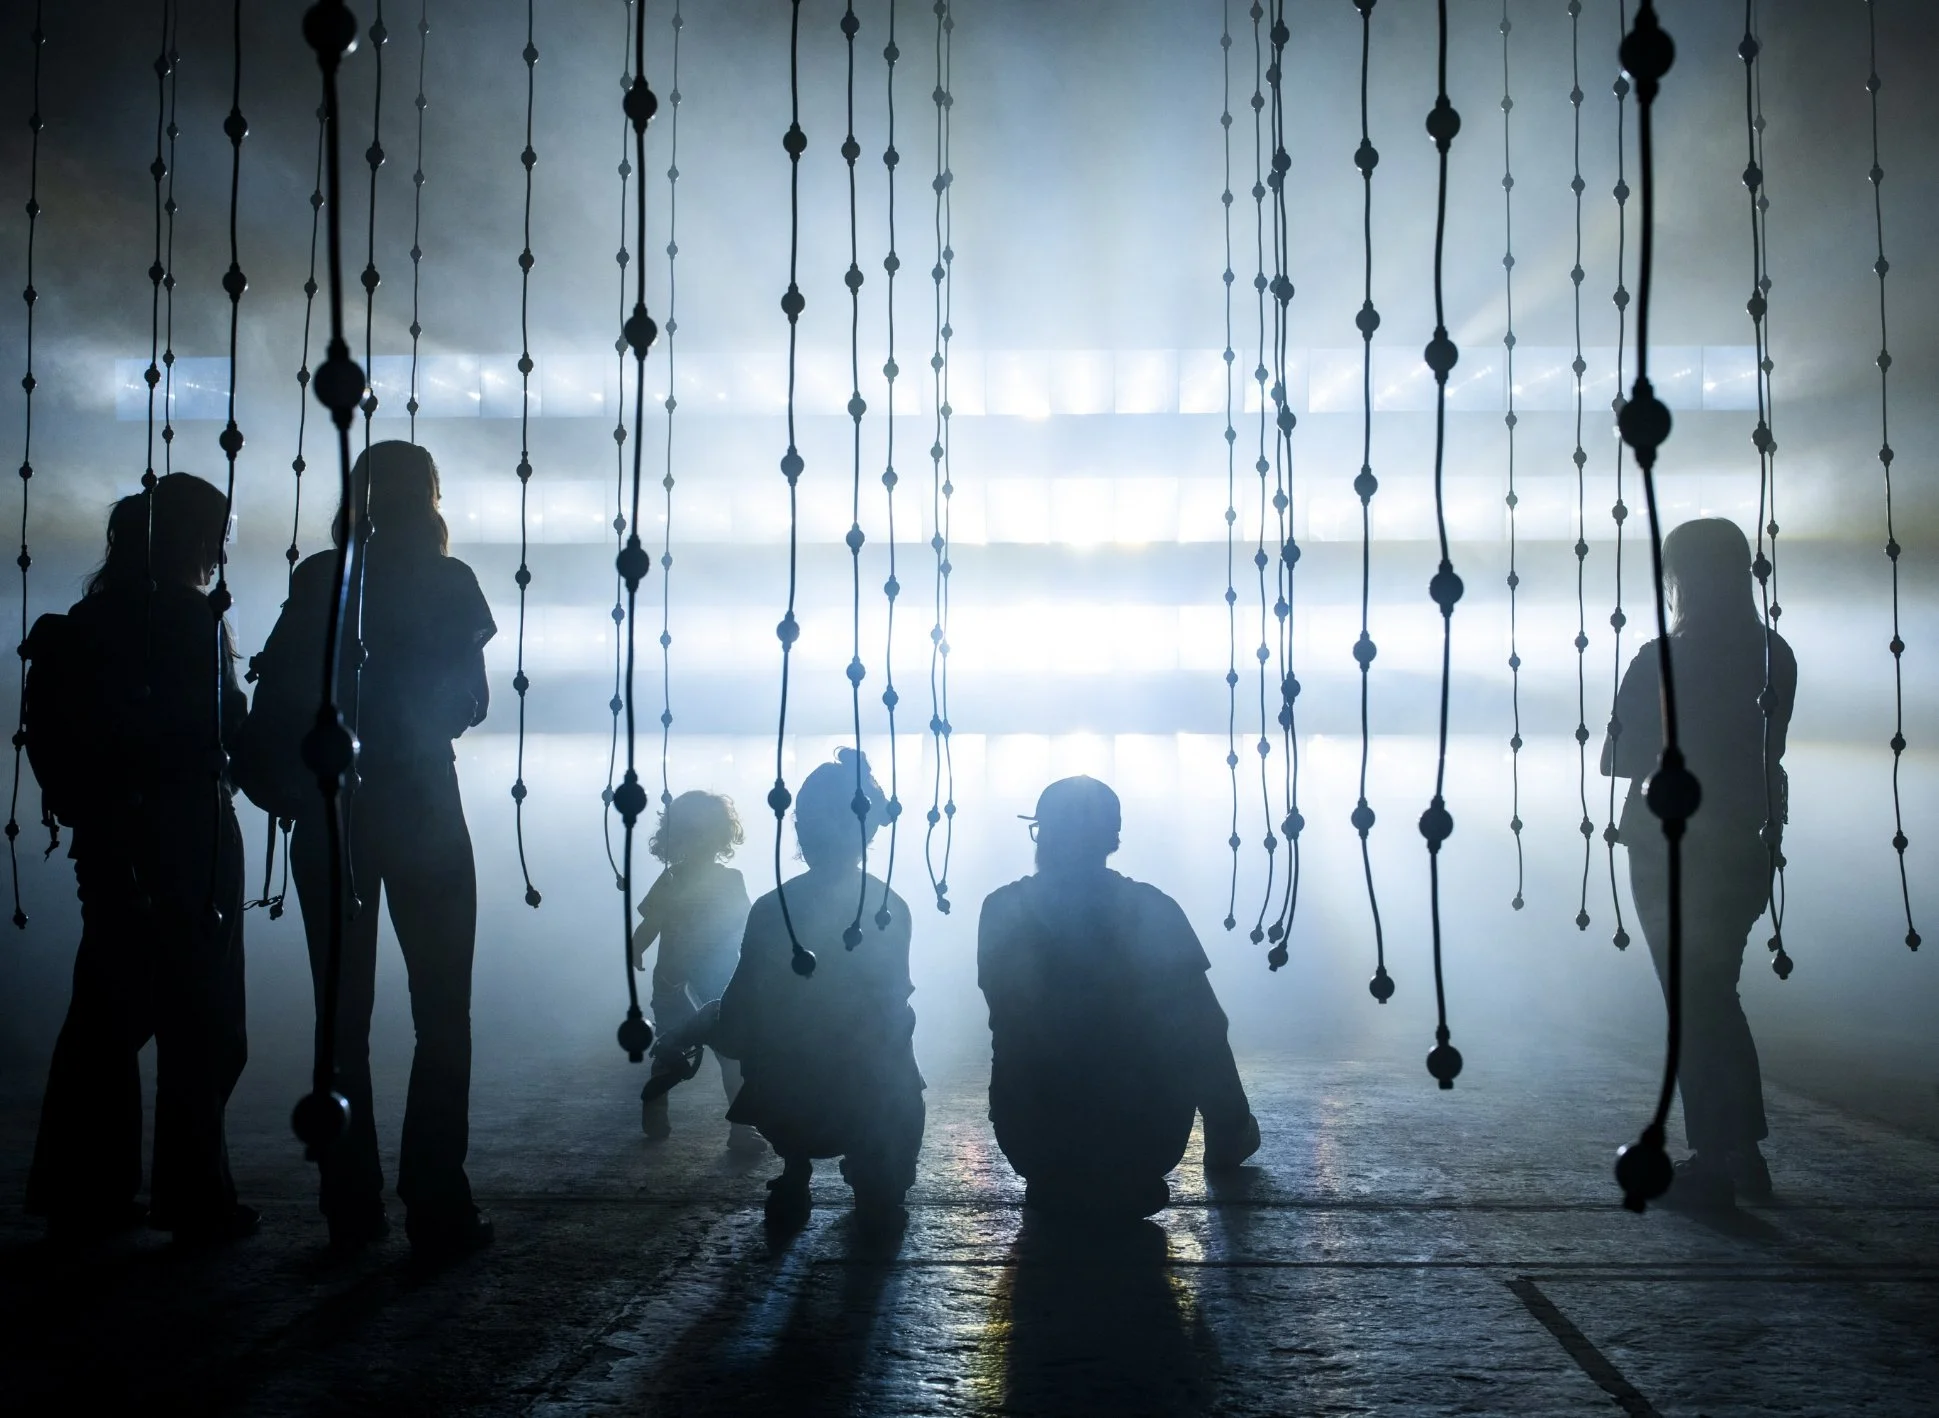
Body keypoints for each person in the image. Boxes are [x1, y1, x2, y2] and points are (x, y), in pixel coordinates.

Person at [237, 440, 495, 1257]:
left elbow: (277, 690)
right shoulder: (452, 584)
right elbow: (470, 701)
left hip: (334, 813)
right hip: (422, 803)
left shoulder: (321, 578)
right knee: (442, 1016)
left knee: (341, 1021)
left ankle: (350, 1206)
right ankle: (435, 1200)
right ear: (429, 495)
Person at [24, 473, 254, 1242]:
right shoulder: (191, 620)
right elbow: (230, 732)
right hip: (192, 832)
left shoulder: (87, 622)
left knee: (108, 1008)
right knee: (204, 1020)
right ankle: (193, 1197)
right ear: (195, 539)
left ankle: (84, 1190)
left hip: (110, 838)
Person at [1602, 516, 1796, 1208]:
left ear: (1677, 577)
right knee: (1712, 996)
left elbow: (1616, 758)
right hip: (1744, 844)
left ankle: (1720, 1157)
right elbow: (1763, 751)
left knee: (1693, 1001)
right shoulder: (1773, 654)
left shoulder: (1660, 659)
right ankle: (1736, 1152)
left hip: (1664, 848)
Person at [977, 776, 1259, 1222]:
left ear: (1042, 835)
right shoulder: (1154, 909)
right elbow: (1205, 1030)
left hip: (1036, 1141)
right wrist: (1228, 1129)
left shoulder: (1001, 911)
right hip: (1147, 1139)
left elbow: (1008, 1021)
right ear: (1113, 839)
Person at [713, 748, 924, 1231]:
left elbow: (738, 1015)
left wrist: (707, 1028)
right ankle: (876, 1168)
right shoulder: (890, 906)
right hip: (870, 1095)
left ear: (801, 830)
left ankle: (796, 1167)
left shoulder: (772, 909)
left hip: (786, 1099)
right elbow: (894, 1008)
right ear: (868, 832)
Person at [633, 789, 761, 1152]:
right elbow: (651, 923)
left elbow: (746, 927)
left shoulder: (729, 880)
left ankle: (740, 1129)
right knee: (675, 1054)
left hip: (717, 984)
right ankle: (656, 1104)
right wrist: (637, 945)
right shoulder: (671, 880)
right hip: (681, 983)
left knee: (731, 1059)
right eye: (694, 832)